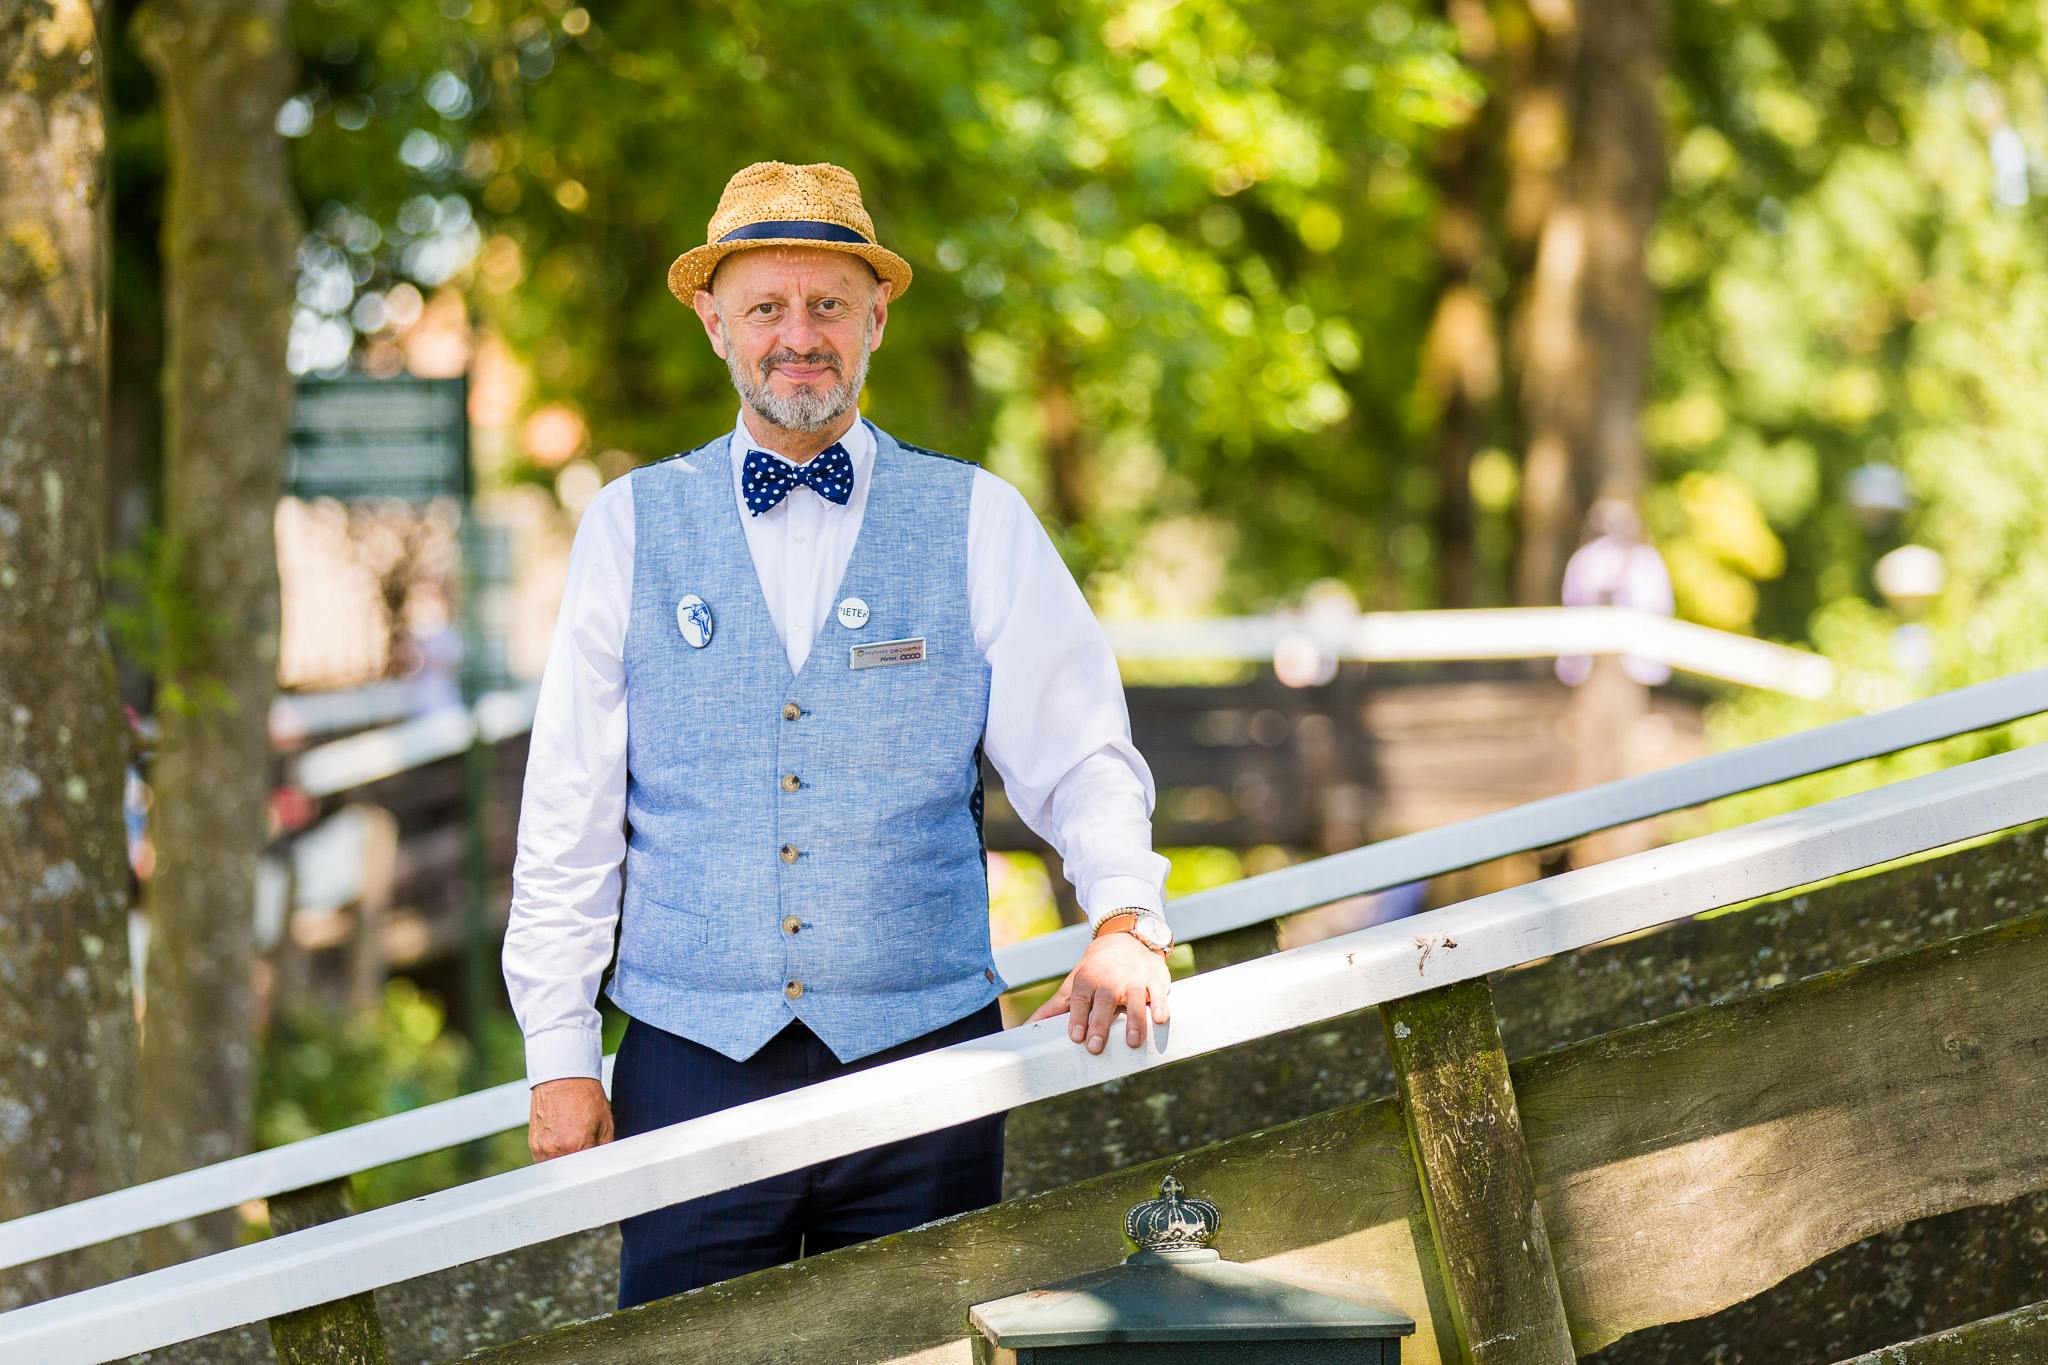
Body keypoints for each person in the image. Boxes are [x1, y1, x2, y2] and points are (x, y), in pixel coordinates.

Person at [501, 160, 1177, 1310]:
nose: (796, 335)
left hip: (925, 1062)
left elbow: (1080, 751)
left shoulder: (976, 517)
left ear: (875, 316)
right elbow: (569, 807)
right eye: (766, 306)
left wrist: (1123, 913)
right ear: (715, 323)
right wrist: (560, 1049)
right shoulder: (628, 526)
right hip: (688, 1059)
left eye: (825, 305)